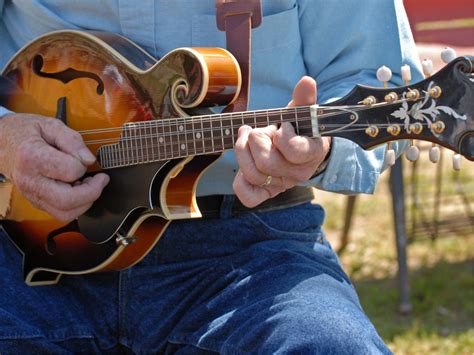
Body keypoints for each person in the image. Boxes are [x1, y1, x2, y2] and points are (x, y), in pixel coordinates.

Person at [0, 0, 422, 353]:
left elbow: (374, 75)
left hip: (249, 248)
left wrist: (318, 151)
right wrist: (7, 138)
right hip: (25, 239)